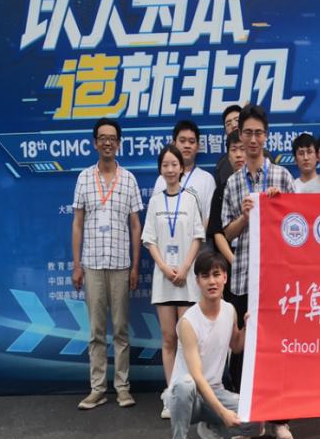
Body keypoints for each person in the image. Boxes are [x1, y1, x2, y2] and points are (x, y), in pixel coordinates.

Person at [222, 104, 296, 439]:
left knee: (277, 350)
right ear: (240, 136)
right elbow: (227, 232)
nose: (253, 139)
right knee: (242, 352)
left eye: (258, 133)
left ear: (266, 137)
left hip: (276, 280)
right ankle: (250, 422)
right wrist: (244, 216)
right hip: (242, 278)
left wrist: (280, 208)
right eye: (247, 133)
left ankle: (280, 420)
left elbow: (297, 227)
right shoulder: (233, 182)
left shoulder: (282, 177)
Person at [166, 251, 261, 439]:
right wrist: (223, 413)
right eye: (205, 276)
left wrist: (247, 327)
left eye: (216, 275)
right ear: (197, 281)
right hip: (188, 395)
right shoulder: (188, 322)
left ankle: (210, 428)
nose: (212, 281)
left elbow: (236, 346)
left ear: (225, 278)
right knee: (185, 384)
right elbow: (197, 377)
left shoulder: (229, 310)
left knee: (256, 423)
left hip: (215, 391)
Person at [71, 118, 143, 410]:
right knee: (96, 332)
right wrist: (77, 265)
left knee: (121, 330)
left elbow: (136, 225)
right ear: (95, 143)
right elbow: (77, 223)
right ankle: (98, 388)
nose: (107, 142)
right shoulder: (84, 178)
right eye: (102, 137)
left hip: (120, 265)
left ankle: (122, 388)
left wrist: (135, 266)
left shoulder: (129, 179)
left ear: (119, 143)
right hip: (92, 264)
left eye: (112, 138)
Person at [143, 144, 206, 419]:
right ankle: (171, 396)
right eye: (165, 165)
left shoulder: (190, 199)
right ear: (161, 169)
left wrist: (185, 267)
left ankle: (188, 395)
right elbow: (150, 240)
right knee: (169, 337)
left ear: (181, 168)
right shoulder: (155, 201)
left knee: (186, 340)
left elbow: (197, 237)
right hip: (164, 278)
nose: (170, 169)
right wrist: (164, 267)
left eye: (174, 164)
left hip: (186, 278)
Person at [153, 120, 215, 236]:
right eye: (182, 141)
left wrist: (195, 243)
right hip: (165, 243)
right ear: (174, 144)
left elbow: (209, 217)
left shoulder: (207, 179)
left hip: (197, 245)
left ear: (198, 147)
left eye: (191, 141)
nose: (187, 145)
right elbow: (154, 217)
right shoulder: (162, 179)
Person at [208, 131, 245, 270]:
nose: (238, 154)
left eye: (242, 149)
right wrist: (234, 261)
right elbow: (217, 232)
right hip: (229, 264)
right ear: (228, 156)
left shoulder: (259, 186)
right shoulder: (221, 190)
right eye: (233, 150)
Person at [212, 104, 244, 189]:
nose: (234, 125)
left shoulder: (262, 156)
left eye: (237, 120)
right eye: (228, 123)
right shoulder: (221, 165)